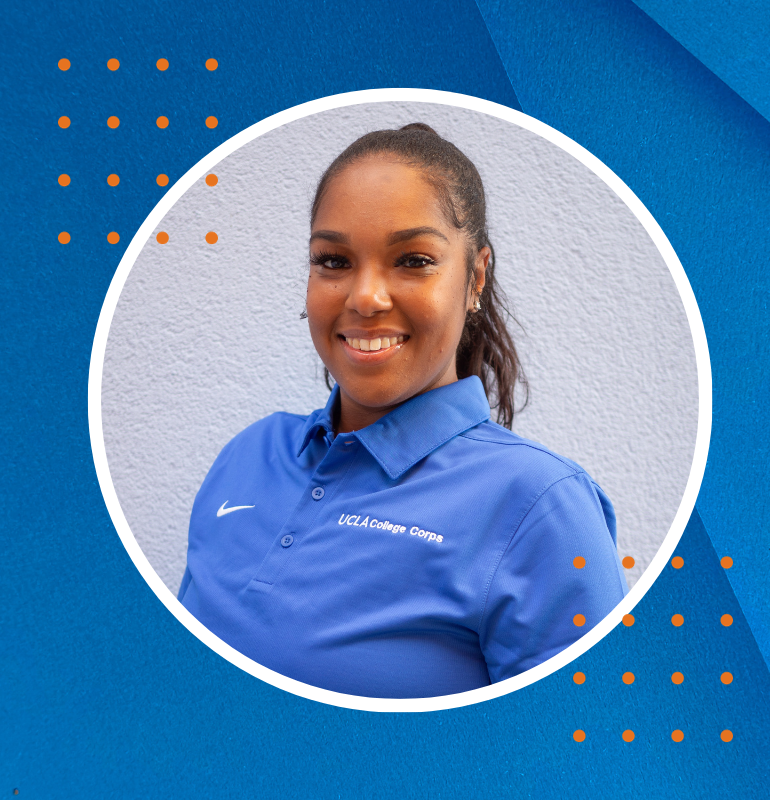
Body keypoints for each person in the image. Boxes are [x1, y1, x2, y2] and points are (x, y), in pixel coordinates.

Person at [178, 123, 628, 699]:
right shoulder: (249, 453)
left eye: (413, 260)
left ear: (476, 278)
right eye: (334, 261)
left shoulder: (539, 506)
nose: (365, 297)